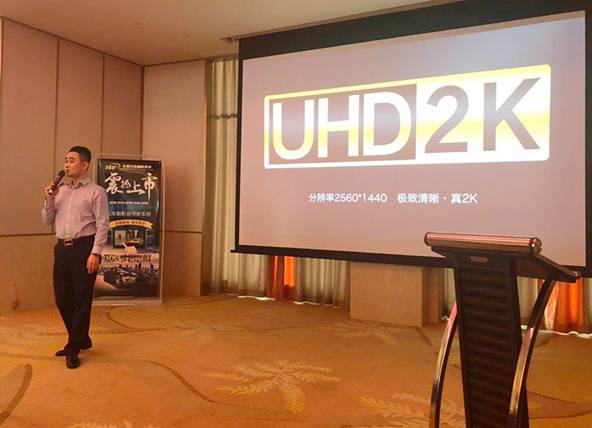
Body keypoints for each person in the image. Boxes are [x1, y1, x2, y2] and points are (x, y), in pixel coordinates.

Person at [41, 146, 109, 369]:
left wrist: (95, 252)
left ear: (85, 164)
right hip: (62, 249)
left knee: (81, 299)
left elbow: (102, 224)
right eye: (66, 160)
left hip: (84, 248)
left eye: (72, 160)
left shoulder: (96, 192)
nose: (66, 164)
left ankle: (73, 347)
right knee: (62, 298)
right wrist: (49, 198)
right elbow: (46, 220)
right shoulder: (60, 191)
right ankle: (82, 339)